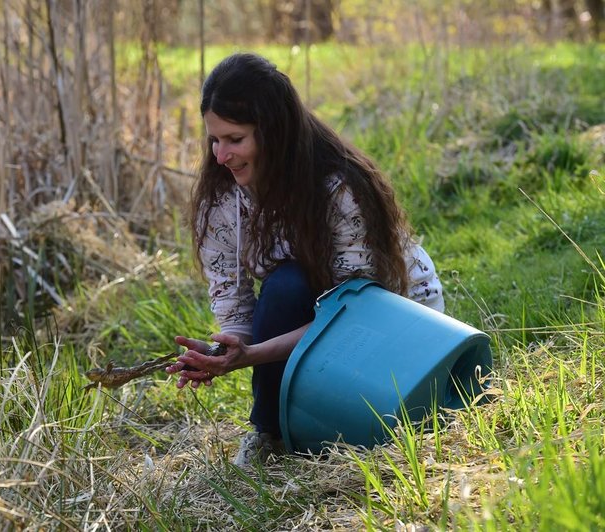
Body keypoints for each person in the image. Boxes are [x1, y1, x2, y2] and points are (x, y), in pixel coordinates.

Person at [165, 53, 444, 466]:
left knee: (391, 429)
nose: (221, 156)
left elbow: (359, 313)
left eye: (235, 139)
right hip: (313, 317)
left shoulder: (339, 186)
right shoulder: (220, 199)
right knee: (286, 286)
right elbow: (235, 302)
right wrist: (226, 350)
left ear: (274, 133)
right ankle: (268, 433)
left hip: (394, 322)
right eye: (214, 139)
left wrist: (255, 355)